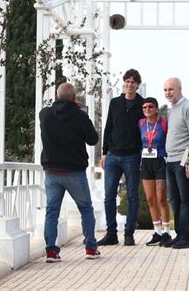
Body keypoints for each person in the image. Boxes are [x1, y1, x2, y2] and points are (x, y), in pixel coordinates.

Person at [39, 83, 100, 262]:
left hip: (52, 172)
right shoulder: (80, 116)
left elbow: (51, 112)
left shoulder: (45, 114)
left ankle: (51, 251)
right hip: (74, 172)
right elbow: (92, 139)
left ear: (57, 97)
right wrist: (83, 113)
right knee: (86, 209)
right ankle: (90, 248)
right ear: (74, 98)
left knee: (52, 212)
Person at [97, 69, 144, 246]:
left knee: (133, 196)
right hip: (113, 156)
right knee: (109, 196)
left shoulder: (142, 104)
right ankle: (111, 234)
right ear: (124, 83)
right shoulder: (115, 103)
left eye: (133, 82)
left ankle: (129, 233)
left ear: (137, 85)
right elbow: (108, 127)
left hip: (132, 156)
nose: (129, 84)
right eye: (127, 81)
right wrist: (104, 152)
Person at [163, 77, 189, 249]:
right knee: (175, 200)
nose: (168, 93)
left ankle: (188, 237)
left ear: (179, 89)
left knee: (186, 200)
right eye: (165, 90)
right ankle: (179, 234)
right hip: (170, 160)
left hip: (184, 160)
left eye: (171, 89)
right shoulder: (172, 109)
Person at [138, 97, 172, 247]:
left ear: (157, 109)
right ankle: (157, 232)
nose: (147, 109)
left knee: (161, 199)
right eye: (144, 107)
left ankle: (167, 232)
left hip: (160, 161)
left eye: (150, 107)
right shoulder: (140, 123)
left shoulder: (164, 123)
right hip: (146, 162)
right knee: (151, 199)